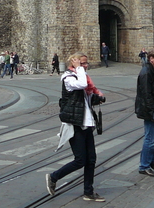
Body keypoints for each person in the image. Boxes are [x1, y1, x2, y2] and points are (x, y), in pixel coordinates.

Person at [45, 53, 105, 202]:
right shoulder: (68, 78)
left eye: (86, 63)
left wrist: (98, 97)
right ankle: (54, 177)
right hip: (75, 124)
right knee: (80, 160)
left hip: (87, 123)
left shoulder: (82, 77)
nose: (85, 66)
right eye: (82, 63)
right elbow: (82, 85)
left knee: (91, 159)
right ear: (74, 64)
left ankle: (88, 192)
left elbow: (85, 98)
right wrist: (79, 69)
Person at [135, 48, 154, 177]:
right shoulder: (147, 72)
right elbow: (146, 95)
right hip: (150, 111)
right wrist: (153, 113)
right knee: (150, 138)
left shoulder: (152, 71)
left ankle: (150, 161)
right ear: (151, 59)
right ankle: (144, 166)